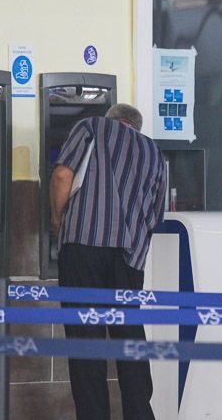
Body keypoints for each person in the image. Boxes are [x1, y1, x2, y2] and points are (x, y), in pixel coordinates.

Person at [50, 103, 167, 420]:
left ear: (111, 119)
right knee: (129, 337)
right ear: (136, 127)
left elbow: (62, 175)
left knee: (86, 340)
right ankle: (140, 414)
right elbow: (156, 216)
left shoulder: (91, 127)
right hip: (128, 258)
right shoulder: (155, 153)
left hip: (83, 246)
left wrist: (57, 220)